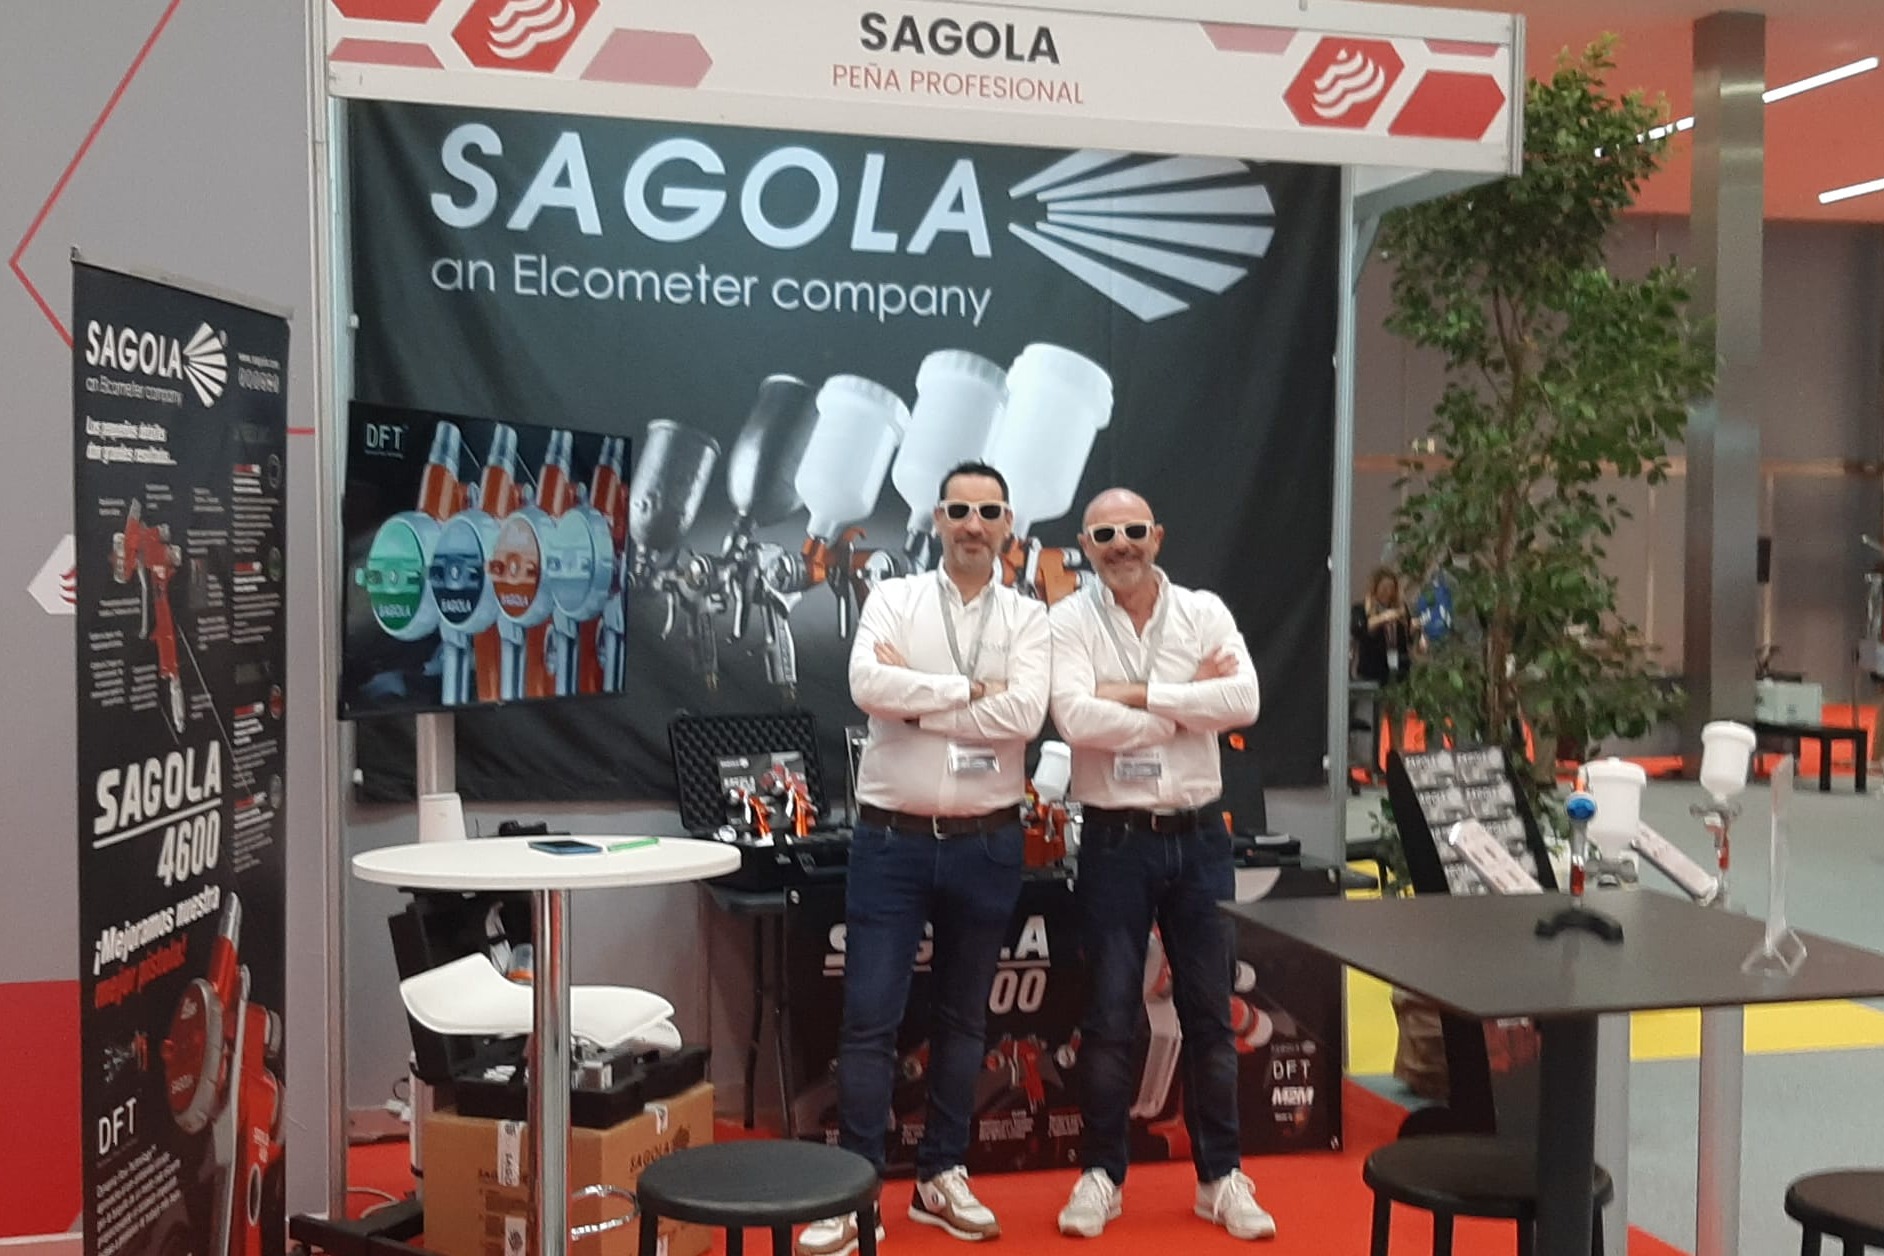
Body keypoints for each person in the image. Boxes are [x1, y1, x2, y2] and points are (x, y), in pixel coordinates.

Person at [797, 460, 1051, 1256]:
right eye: (959, 511)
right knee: (870, 1019)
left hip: (987, 844)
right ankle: (856, 1194)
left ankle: (943, 1175)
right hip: (892, 844)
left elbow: (1026, 714)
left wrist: (923, 698)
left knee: (965, 1019)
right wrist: (971, 691)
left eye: (989, 512)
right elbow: (869, 686)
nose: (974, 525)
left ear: (1008, 525)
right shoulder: (894, 598)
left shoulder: (1029, 618)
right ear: (937, 519)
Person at [1047, 488, 1274, 1242]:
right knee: (1110, 1016)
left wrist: (1139, 694)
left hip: (1200, 837)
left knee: (1210, 1014)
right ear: (1086, 544)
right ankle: (1101, 1176)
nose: (1121, 543)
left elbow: (1244, 700)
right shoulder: (1068, 621)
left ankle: (1221, 1178)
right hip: (1115, 841)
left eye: (1134, 530)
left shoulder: (1203, 612)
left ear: (1158, 536)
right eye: (1105, 532)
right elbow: (1076, 717)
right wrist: (1185, 707)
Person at [1351, 566, 1414, 687]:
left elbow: (1408, 637)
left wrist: (1409, 626)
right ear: (1375, 588)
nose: (1388, 592)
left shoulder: (1400, 610)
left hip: (1398, 666)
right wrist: (1383, 618)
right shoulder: (1361, 609)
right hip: (1372, 668)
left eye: (1391, 588)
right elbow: (1359, 630)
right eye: (1384, 588)